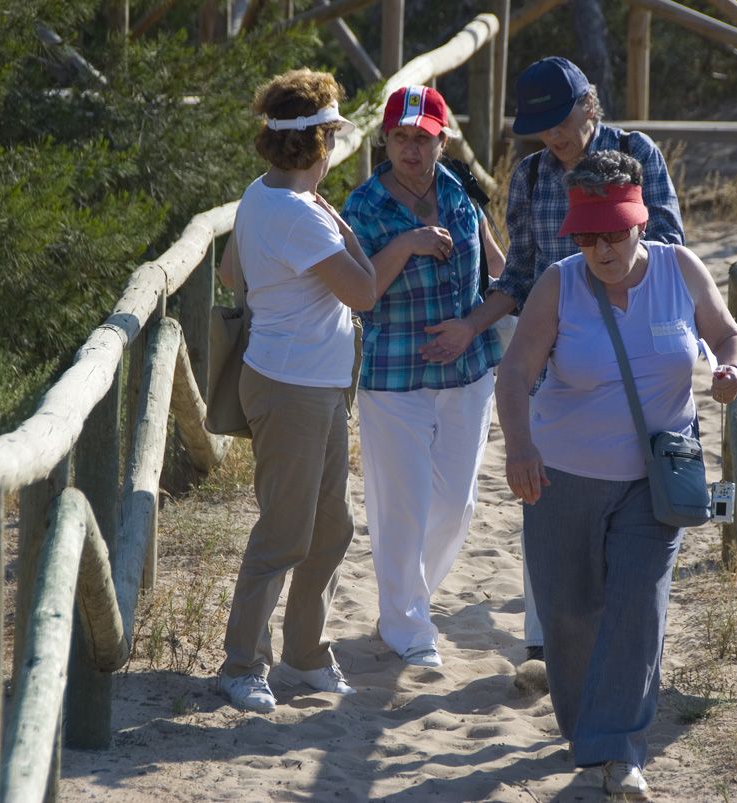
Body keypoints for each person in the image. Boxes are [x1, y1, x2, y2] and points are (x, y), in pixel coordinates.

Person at [494, 150, 737, 795]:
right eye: (587, 235)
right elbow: (516, 372)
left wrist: (732, 369)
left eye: (613, 232)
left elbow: (728, 333)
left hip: (656, 475)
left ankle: (619, 751)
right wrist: (519, 448)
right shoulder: (558, 283)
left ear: (641, 223)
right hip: (560, 475)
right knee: (570, 614)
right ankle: (590, 736)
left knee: (638, 608)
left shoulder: (678, 268)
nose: (600, 248)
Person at [420, 57, 686, 662]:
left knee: (632, 496)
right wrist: (471, 325)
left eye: (559, 121)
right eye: (540, 126)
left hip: (630, 352)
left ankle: (619, 635)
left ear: (588, 107)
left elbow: (670, 244)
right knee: (546, 489)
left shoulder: (636, 153)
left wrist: (607, 253)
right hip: (553, 358)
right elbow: (516, 274)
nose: (552, 136)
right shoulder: (532, 175)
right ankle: (545, 645)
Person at [215, 69, 377, 713]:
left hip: (315, 383)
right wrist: (345, 235)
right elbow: (365, 292)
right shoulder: (298, 214)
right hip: (293, 388)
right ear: (319, 143)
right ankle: (241, 665)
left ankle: (305, 652)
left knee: (330, 526)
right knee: (284, 534)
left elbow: (231, 273)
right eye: (333, 134)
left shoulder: (261, 195)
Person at [341, 86, 503, 668]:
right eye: (402, 137)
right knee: (402, 504)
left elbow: (497, 270)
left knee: (456, 506)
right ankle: (409, 628)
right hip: (394, 377)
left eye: (424, 138)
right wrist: (407, 243)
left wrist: (487, 320)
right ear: (386, 138)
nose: (412, 149)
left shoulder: (459, 190)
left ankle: (408, 601)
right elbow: (361, 293)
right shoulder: (362, 206)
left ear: (442, 138)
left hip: (469, 369)